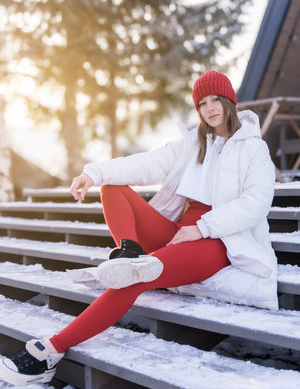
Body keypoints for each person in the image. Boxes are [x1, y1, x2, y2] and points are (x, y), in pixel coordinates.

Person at [0, 70, 278, 386]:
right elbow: (146, 163)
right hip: (177, 233)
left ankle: (49, 352)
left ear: (230, 100)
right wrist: (94, 173)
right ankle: (129, 250)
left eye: (216, 99)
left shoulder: (253, 148)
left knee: (135, 277)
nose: (210, 108)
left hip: (217, 241)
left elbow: (256, 204)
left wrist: (203, 227)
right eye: (202, 103)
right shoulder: (192, 143)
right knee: (112, 187)